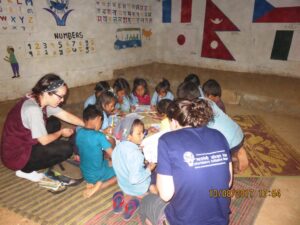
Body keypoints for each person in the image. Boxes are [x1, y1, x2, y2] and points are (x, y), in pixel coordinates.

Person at [139, 99, 232, 225]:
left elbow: (166, 195)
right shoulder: (219, 135)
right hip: (220, 221)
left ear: (174, 122)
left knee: (147, 201)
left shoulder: (167, 140)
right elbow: (229, 181)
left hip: (182, 221)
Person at [0, 74, 84, 182]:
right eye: (60, 96)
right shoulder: (33, 110)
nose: (62, 100)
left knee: (54, 123)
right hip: (15, 156)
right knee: (67, 149)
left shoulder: (38, 98)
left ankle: (35, 151)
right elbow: (44, 141)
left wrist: (87, 125)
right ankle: (25, 170)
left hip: (19, 142)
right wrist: (61, 133)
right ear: (46, 93)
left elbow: (65, 115)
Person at [177, 81, 248, 172]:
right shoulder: (207, 100)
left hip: (228, 142)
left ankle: (233, 161)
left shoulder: (196, 111)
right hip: (238, 132)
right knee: (237, 149)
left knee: (201, 143)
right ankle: (237, 155)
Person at [112, 117, 157, 221]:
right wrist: (149, 169)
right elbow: (134, 179)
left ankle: (125, 199)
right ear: (129, 136)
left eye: (143, 132)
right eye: (139, 133)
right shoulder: (136, 155)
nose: (143, 135)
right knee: (156, 175)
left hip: (124, 184)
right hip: (138, 187)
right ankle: (143, 198)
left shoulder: (118, 147)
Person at [75, 105, 117, 198]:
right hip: (97, 174)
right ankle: (99, 186)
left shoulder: (79, 132)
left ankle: (91, 182)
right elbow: (113, 155)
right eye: (101, 121)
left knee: (110, 162)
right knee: (121, 173)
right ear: (98, 118)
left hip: (85, 172)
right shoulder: (99, 136)